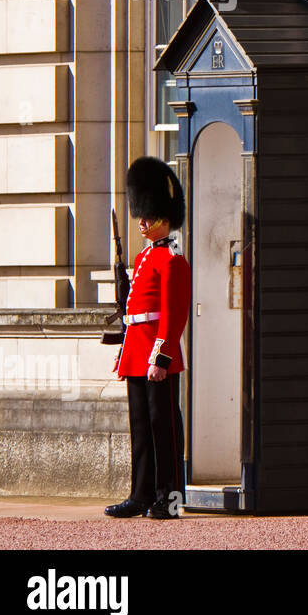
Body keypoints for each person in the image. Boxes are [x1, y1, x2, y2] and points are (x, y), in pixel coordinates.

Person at [104, 157, 191, 520]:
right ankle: (140, 494)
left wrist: (162, 356)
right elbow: (134, 312)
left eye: (149, 215)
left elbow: (173, 315)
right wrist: (126, 350)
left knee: (162, 426)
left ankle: (167, 497)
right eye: (141, 215)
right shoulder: (143, 258)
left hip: (157, 351)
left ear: (165, 218)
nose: (142, 222)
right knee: (140, 426)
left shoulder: (171, 260)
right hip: (137, 348)